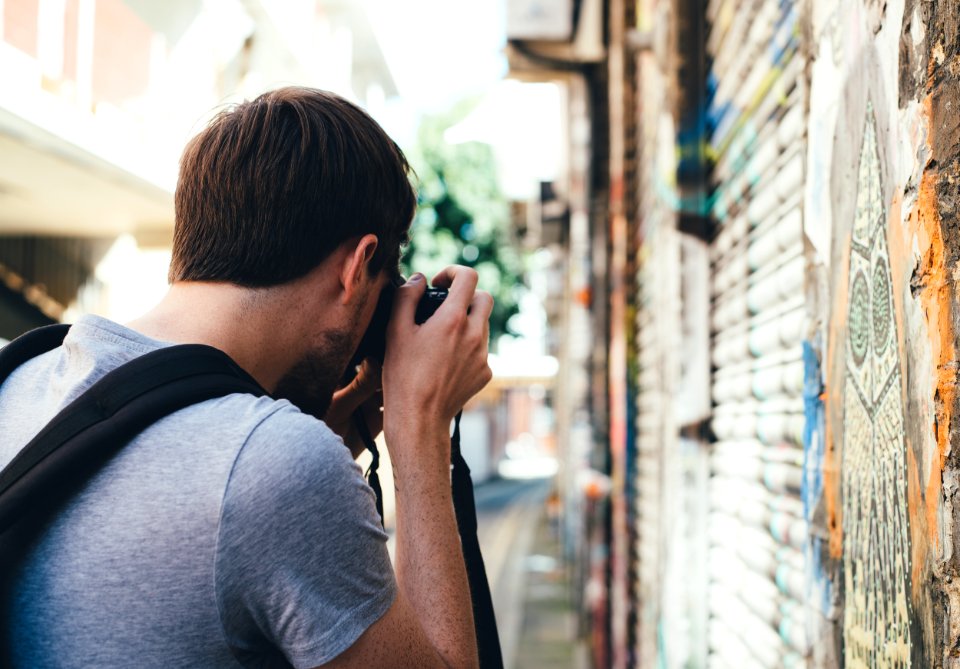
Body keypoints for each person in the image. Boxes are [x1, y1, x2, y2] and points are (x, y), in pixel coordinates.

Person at [0, 87, 492, 668]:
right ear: (358, 266)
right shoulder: (275, 463)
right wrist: (421, 429)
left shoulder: (21, 377)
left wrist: (332, 434)